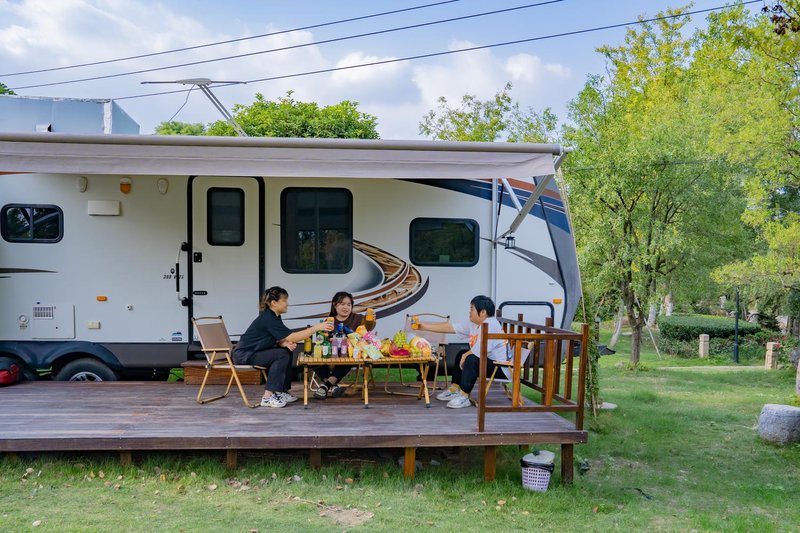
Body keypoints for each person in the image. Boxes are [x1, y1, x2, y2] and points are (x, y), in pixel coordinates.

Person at [234, 286, 334, 408]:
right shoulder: (268, 318)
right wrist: (316, 328)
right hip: (245, 354)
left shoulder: (274, 316)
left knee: (286, 350)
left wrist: (283, 343)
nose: (287, 304)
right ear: (274, 303)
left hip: (256, 351)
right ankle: (267, 397)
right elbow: (293, 337)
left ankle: (281, 391)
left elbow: (271, 337)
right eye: (284, 300)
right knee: (281, 354)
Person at [414, 295, 507, 409]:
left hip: (500, 368)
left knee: (470, 359)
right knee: (461, 354)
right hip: (489, 363)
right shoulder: (474, 324)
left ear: (483, 312)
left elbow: (480, 350)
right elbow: (450, 328)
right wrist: (422, 326)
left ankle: (464, 396)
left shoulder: (490, 324)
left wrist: (466, 355)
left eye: (472, 309)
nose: (469, 312)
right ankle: (454, 390)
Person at [313, 291, 372, 400]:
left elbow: (368, 330)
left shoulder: (358, 319)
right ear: (335, 305)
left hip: (349, 354)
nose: (346, 307)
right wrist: (329, 340)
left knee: (347, 359)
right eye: (342, 304)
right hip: (331, 354)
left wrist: (370, 322)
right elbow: (324, 339)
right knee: (314, 360)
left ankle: (325, 386)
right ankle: (333, 386)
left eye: (349, 304)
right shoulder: (329, 321)